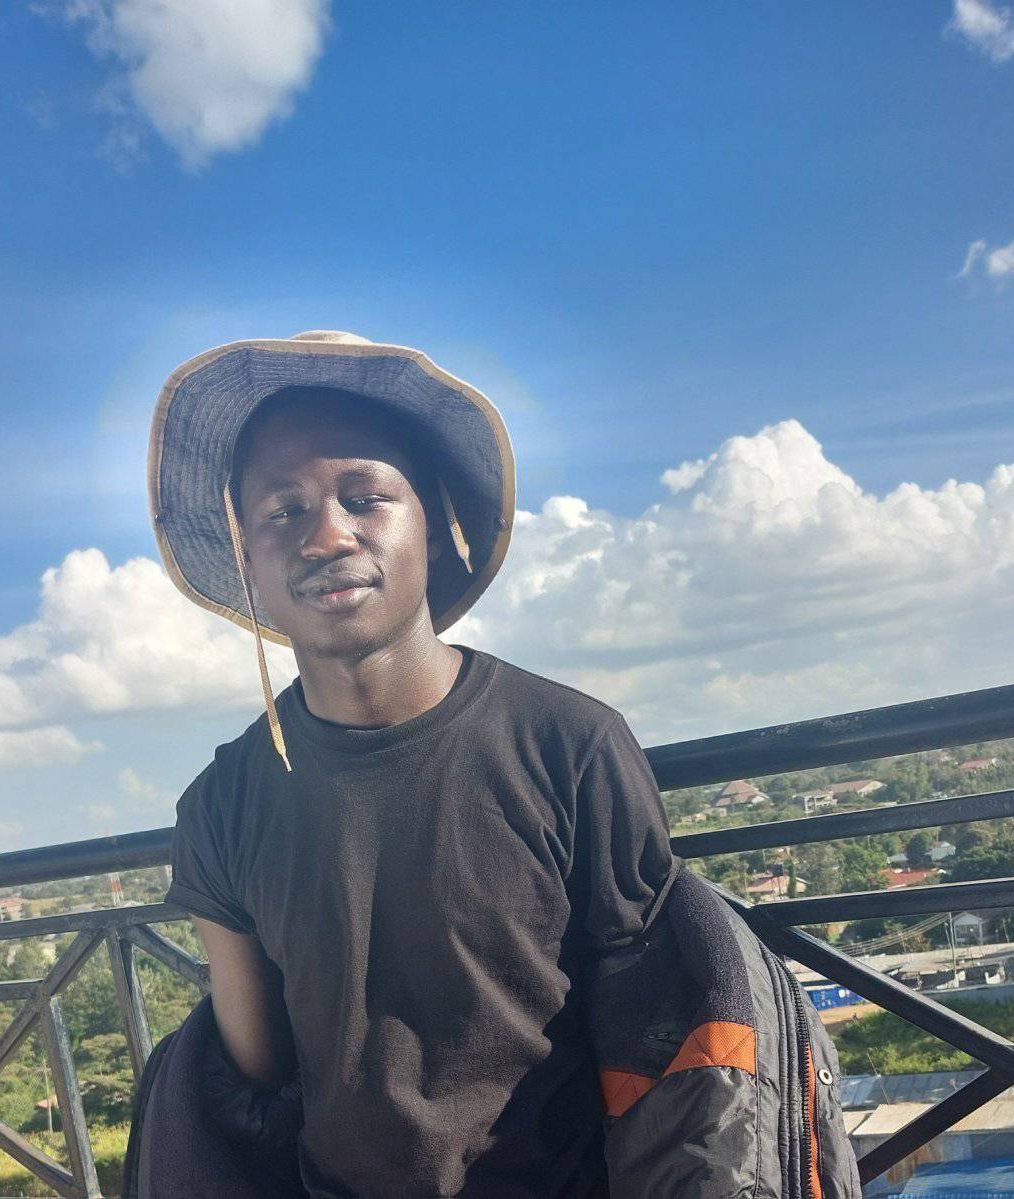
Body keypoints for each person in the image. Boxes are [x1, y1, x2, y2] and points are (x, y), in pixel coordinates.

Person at [148, 331, 677, 1197]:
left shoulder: (570, 744)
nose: (326, 535)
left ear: (434, 522)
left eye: (365, 497)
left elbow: (656, 1031)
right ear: (246, 557)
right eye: (283, 511)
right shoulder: (219, 807)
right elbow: (256, 1068)